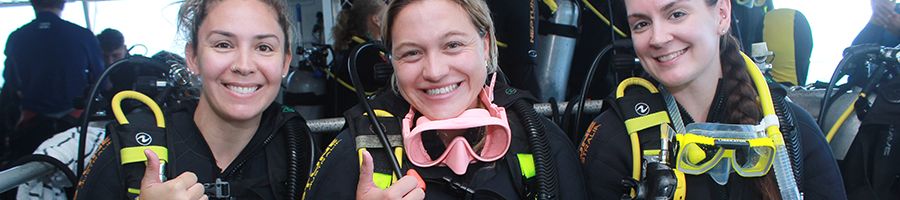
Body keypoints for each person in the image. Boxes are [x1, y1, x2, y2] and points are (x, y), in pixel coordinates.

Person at [302, 0, 587, 199]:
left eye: (453, 45)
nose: (435, 71)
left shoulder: (543, 142)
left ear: (485, 44)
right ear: (391, 61)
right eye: (412, 52)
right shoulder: (355, 154)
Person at [578, 0, 846, 199]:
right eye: (641, 24)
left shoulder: (791, 129)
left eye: (677, 14)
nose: (657, 38)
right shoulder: (613, 141)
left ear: (722, 14)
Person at [75, 0, 318, 199]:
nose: (244, 66)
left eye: (264, 47)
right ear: (192, 57)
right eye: (223, 44)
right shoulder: (130, 148)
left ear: (285, 62)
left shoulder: (299, 146)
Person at [1, 0, 104, 167]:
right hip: (74, 121)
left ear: (33, 3)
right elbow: (101, 80)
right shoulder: (83, 35)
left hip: (32, 122)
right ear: (62, 3)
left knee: (29, 171)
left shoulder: (17, 37)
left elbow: (11, 82)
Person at [324, 0, 389, 118]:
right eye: (388, 13)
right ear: (377, 20)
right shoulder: (366, 53)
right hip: (360, 123)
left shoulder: (351, 48)